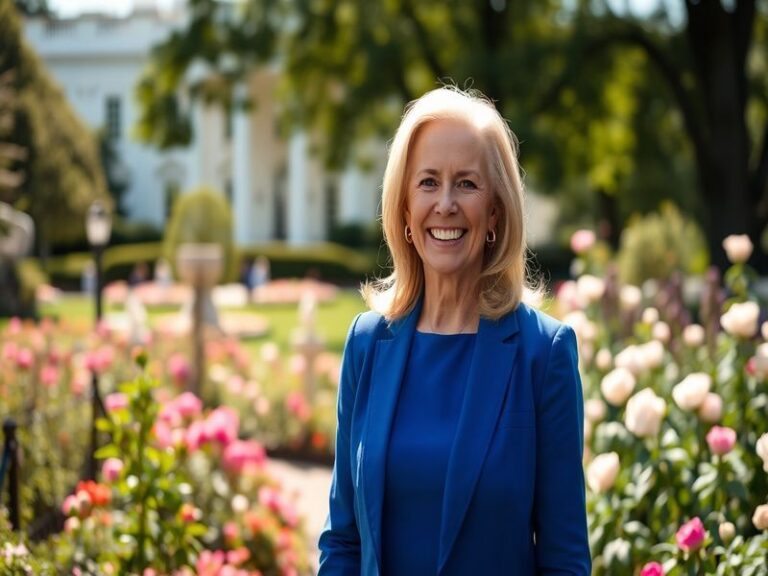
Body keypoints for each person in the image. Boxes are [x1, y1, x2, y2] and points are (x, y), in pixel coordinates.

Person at [318, 87, 591, 575]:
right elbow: (343, 542)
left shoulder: (542, 354)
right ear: (403, 208)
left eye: (466, 183)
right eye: (427, 182)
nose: (445, 203)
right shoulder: (366, 344)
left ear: (495, 212)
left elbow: (564, 558)